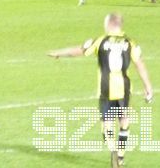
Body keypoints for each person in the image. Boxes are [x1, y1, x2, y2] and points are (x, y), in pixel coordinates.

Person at [48, 12, 153, 168]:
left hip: (105, 88)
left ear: (109, 24)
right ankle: (121, 156)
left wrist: (59, 53)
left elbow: (80, 50)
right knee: (124, 121)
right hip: (124, 87)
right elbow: (140, 64)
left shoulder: (100, 41)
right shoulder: (130, 42)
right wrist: (148, 87)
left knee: (107, 124)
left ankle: (112, 148)